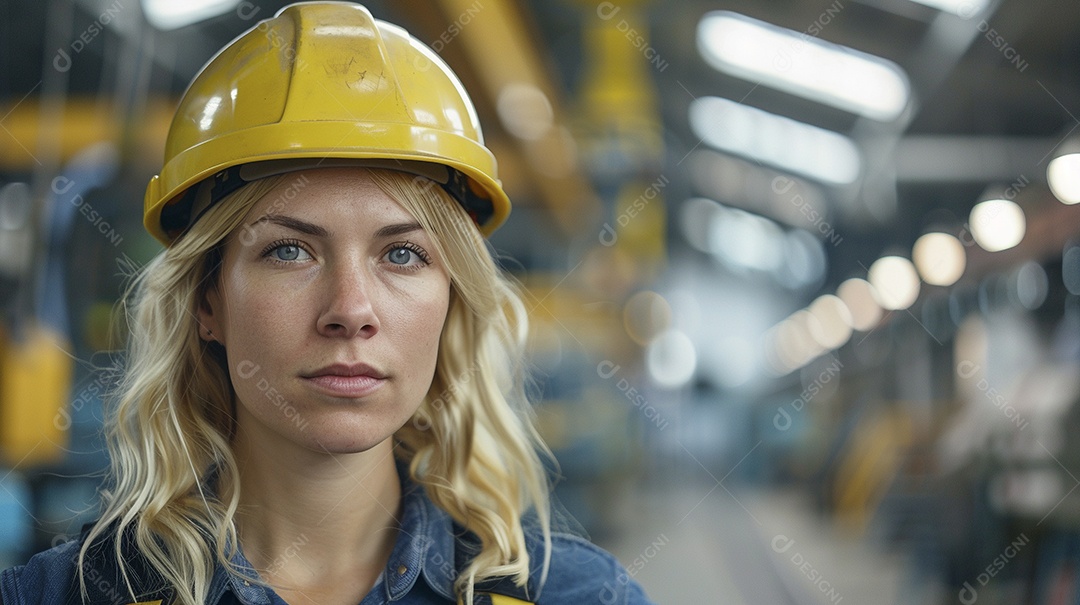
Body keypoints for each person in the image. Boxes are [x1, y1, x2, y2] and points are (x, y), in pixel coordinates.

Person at [0, 3, 655, 605]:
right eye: (290, 251)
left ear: (453, 301)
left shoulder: (584, 595)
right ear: (208, 301)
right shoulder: (53, 594)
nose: (351, 309)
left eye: (401, 254)